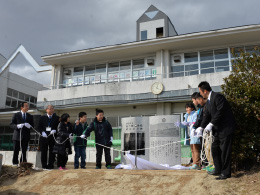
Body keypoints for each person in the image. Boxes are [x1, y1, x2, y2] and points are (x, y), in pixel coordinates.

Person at [198, 81, 236, 180]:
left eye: (200, 92)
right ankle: (218, 169)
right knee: (214, 148)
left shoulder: (218, 97)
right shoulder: (209, 102)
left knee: (225, 151)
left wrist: (211, 124)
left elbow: (221, 111)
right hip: (217, 130)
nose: (200, 94)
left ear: (205, 91)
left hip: (225, 128)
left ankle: (226, 173)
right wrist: (201, 127)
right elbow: (206, 116)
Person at [38, 104, 60, 169]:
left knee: (52, 152)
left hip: (52, 137)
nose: (51, 110)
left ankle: (51, 165)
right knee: (44, 151)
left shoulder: (57, 118)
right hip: (44, 137)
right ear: (46, 110)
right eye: (49, 108)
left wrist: (55, 130)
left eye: (52, 108)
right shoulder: (42, 118)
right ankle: (44, 166)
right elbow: (39, 127)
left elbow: (59, 127)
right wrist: (42, 132)